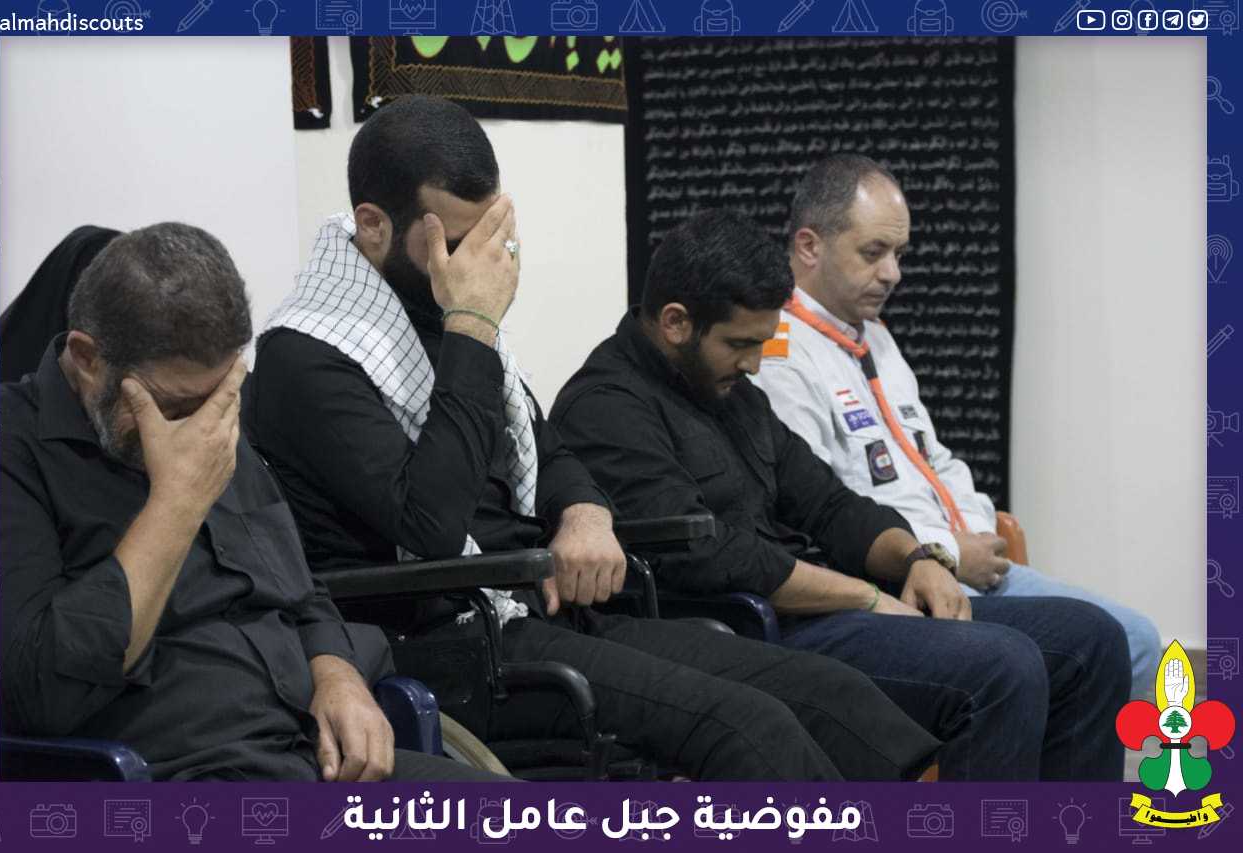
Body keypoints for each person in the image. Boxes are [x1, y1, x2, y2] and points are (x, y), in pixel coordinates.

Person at [246, 95, 939, 782]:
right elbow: (429, 526)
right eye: (455, 242)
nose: (476, 261)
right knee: (748, 724)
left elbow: (544, 449)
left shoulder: (439, 302)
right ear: (373, 225)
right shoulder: (307, 354)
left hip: (542, 605)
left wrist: (584, 511)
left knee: (829, 692)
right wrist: (473, 328)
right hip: (445, 634)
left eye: (488, 234)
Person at [550, 208, 1131, 781]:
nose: (754, 363)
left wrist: (917, 559)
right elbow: (712, 557)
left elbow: (829, 502)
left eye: (761, 343)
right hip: (755, 631)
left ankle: (1066, 827)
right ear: (676, 323)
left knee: (1091, 639)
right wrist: (865, 597)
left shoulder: (730, 391)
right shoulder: (606, 406)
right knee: (1002, 665)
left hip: (826, 608)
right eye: (740, 344)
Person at [0, 222, 505, 782]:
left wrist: (336, 672)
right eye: (173, 406)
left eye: (220, 396)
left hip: (307, 752)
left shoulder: (208, 412)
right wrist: (176, 503)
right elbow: (36, 692)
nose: (201, 428)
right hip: (181, 777)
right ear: (87, 358)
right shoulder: (4, 448)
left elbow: (302, 592)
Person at [750, 154, 1161, 699]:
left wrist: (976, 531)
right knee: (1123, 643)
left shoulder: (873, 335)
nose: (893, 273)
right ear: (809, 246)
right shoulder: (777, 353)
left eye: (899, 254)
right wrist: (946, 551)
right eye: (873, 252)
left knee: (1136, 640)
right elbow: (818, 513)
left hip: (973, 564)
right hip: (904, 580)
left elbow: (931, 456)